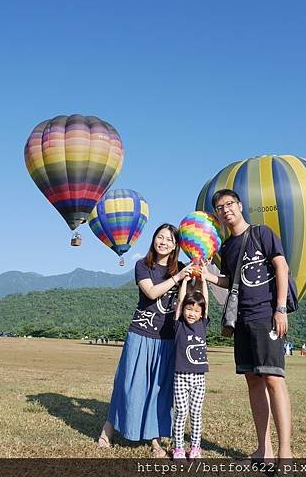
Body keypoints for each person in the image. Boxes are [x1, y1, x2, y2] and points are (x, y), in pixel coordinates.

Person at [203, 189, 292, 460]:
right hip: (241, 319)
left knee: (273, 378)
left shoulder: (261, 233)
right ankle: (262, 449)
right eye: (220, 207)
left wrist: (280, 309)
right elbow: (230, 280)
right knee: (253, 380)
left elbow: (282, 268)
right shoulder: (227, 247)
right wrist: (207, 275)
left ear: (240, 205)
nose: (225, 209)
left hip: (266, 315)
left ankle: (285, 452)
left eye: (229, 204)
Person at [98, 224, 193, 457]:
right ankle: (108, 429)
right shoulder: (143, 265)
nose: (164, 242)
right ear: (153, 240)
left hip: (168, 338)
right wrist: (177, 277)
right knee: (128, 384)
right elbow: (150, 293)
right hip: (140, 334)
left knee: (159, 390)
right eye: (160, 237)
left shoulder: (180, 267)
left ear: (175, 245)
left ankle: (155, 441)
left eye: (169, 239)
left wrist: (192, 275)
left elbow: (185, 300)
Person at [172, 271, 210, 460]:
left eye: (196, 310)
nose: (191, 313)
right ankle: (178, 447)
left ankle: (195, 447)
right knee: (180, 413)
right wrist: (185, 282)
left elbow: (206, 302)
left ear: (201, 313)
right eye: (189, 309)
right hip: (180, 375)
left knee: (196, 413)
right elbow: (179, 303)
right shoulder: (179, 324)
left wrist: (203, 281)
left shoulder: (202, 324)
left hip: (199, 377)